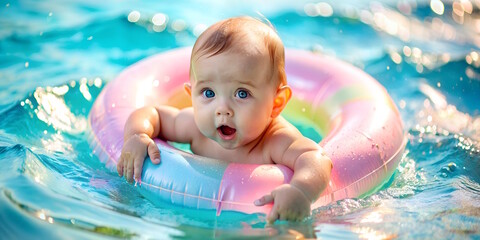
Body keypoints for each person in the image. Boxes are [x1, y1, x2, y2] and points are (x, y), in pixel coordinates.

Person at [116, 16, 332, 223]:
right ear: (191, 95)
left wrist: (301, 191)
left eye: (242, 93)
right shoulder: (195, 127)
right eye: (209, 93)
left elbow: (316, 157)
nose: (222, 110)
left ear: (276, 103)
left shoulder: (275, 140)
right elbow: (153, 114)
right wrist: (137, 134)